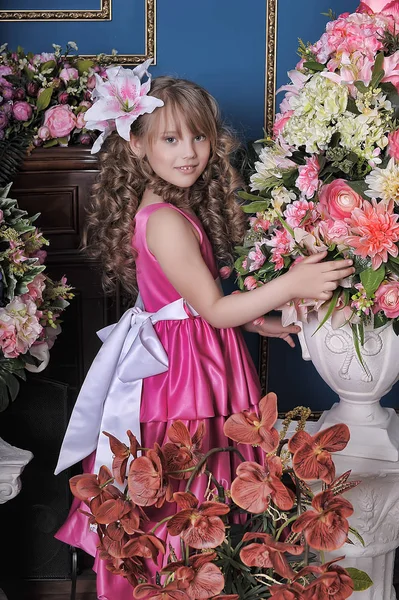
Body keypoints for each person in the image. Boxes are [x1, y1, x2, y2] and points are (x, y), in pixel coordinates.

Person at [54, 64, 354, 600]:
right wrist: (293, 281)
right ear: (139, 146)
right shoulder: (165, 220)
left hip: (190, 353)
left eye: (199, 135)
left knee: (201, 479)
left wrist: (260, 321)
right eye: (171, 138)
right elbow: (213, 311)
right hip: (186, 372)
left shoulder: (166, 208)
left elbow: (184, 303)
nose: (189, 150)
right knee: (194, 477)